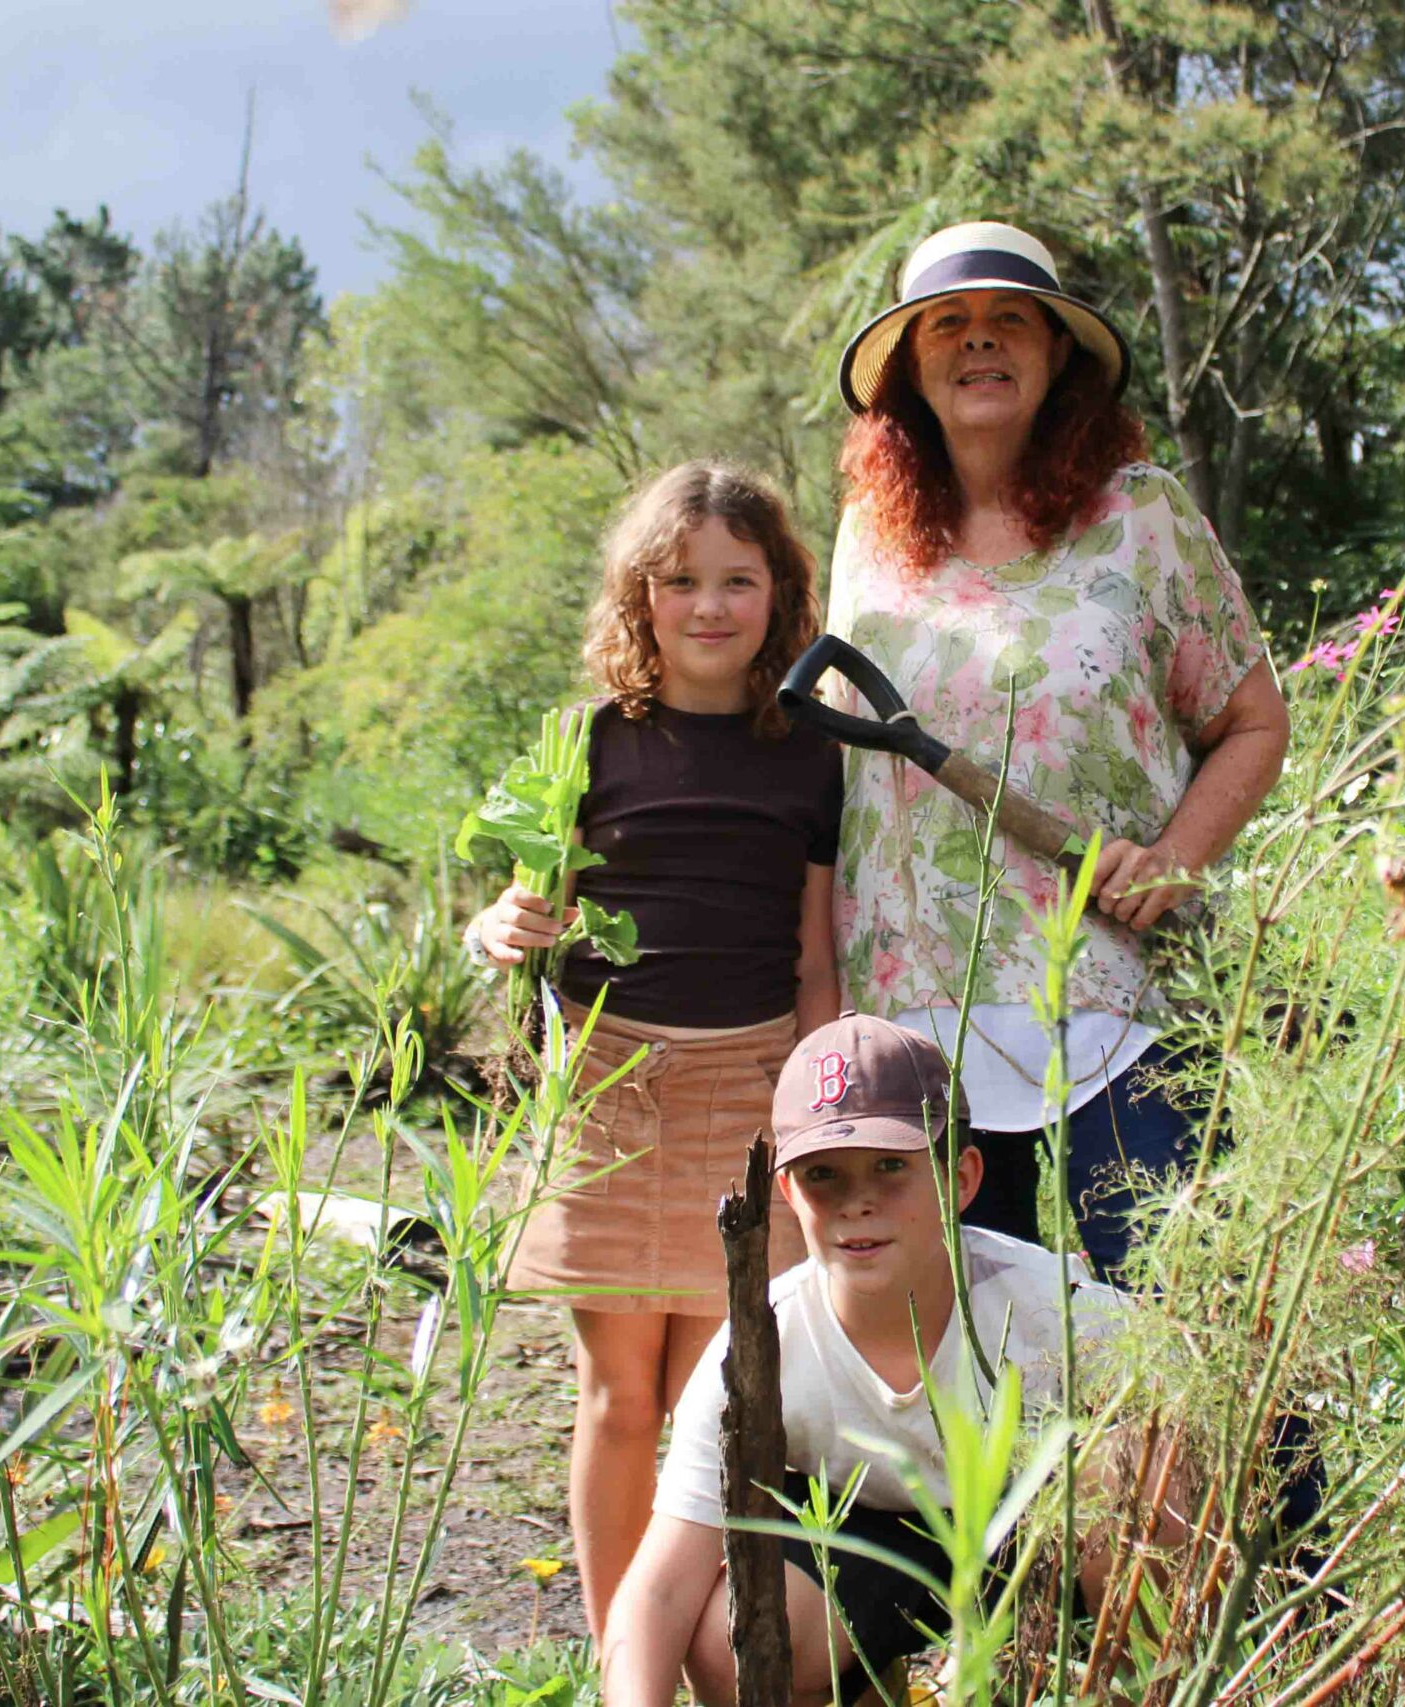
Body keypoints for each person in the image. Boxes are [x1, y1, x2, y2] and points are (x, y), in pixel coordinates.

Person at [824, 220, 1292, 1275]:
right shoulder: (871, 536)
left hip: (1111, 994)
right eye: (948, 323)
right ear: (911, 369)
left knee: (1180, 1310)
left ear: (1056, 355)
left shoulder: (1140, 516)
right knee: (973, 1362)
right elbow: (840, 771)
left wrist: (1179, 853)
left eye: (1008, 320)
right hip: (914, 1015)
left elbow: (1252, 720)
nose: (978, 341)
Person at [463, 461, 844, 1641]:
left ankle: (698, 1648)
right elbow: (515, 909)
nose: (710, 607)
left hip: (751, 1088)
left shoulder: (810, 753)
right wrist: (495, 928)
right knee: (621, 1399)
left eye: (739, 581)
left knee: (717, 1402)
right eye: (680, 582)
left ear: (780, 595)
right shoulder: (585, 742)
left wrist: (812, 1113)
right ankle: (616, 1651)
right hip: (611, 1086)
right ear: (640, 597)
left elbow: (816, 952)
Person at [601, 1013, 1143, 1707]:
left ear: (962, 1176)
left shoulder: (1048, 1307)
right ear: (788, 1193)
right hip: (871, 1544)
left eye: (891, 1166)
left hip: (1035, 1538)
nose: (858, 1202)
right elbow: (661, 1585)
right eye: (823, 1174)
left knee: (1139, 1470)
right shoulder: (763, 1343)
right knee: (723, 1640)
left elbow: (1185, 1454)